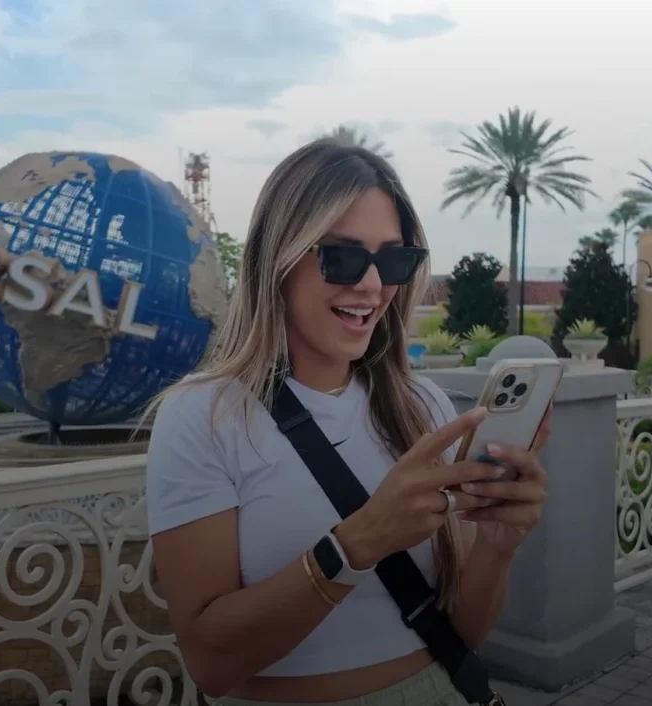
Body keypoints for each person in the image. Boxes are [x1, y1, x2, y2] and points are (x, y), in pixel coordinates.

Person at [144, 138, 550, 705]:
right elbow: (212, 663)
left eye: (393, 260)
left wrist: (497, 547)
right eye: (342, 256)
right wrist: (359, 542)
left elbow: (461, 637)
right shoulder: (204, 416)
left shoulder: (424, 407)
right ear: (277, 260)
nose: (372, 285)